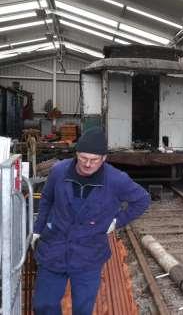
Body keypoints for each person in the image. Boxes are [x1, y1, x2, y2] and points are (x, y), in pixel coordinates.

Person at [31, 127, 151, 315]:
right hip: (54, 247)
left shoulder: (116, 180)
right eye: (83, 158)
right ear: (76, 153)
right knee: (43, 306)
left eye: (94, 160)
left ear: (103, 159)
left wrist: (116, 221)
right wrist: (38, 230)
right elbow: (47, 199)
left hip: (89, 253)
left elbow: (142, 199)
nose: (88, 164)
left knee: (82, 309)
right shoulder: (59, 172)